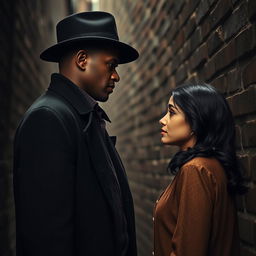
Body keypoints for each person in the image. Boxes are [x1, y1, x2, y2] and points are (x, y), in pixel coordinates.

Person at [13, 11, 139, 256]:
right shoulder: (48, 119)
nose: (117, 76)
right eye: (111, 64)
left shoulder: (84, 117)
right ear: (82, 60)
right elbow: (46, 240)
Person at [154, 84, 247, 256]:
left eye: (172, 112)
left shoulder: (195, 170)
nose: (163, 120)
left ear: (196, 121)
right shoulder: (210, 165)